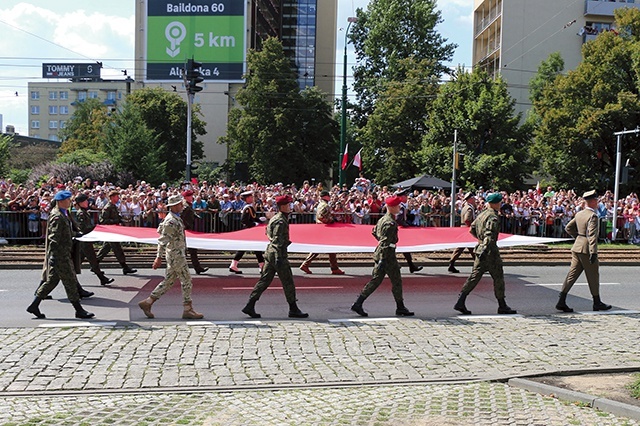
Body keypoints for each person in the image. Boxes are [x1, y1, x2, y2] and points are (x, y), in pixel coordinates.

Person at [27, 190, 95, 319]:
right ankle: (79, 310)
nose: (70, 202)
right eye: (68, 200)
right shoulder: (57, 216)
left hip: (62, 253)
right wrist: (53, 256)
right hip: (60, 255)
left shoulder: (63, 214)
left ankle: (34, 305)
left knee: (51, 282)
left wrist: (77, 235)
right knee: (70, 281)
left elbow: (66, 232)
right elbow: (54, 238)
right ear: (61, 201)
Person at [241, 194, 308, 319]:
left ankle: (250, 305)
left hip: (270, 253)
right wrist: (279, 257)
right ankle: (293, 308)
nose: (290, 207)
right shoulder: (281, 220)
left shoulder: (275, 218)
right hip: (278, 254)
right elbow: (277, 240)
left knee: (264, 281)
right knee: (288, 281)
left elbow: (267, 232)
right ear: (282, 206)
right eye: (288, 205)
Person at [137, 194, 204, 320]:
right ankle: (188, 309)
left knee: (168, 281)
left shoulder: (173, 218)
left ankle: (148, 302)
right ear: (173, 206)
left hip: (175, 254)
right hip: (176, 255)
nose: (182, 206)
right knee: (187, 281)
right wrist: (158, 257)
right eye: (179, 204)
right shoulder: (171, 221)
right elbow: (162, 240)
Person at [453, 192, 517, 315]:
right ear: (496, 204)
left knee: (474, 277)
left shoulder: (482, 215)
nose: (500, 204)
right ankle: (502, 305)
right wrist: (486, 246)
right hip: (490, 251)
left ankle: (461, 301)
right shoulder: (493, 216)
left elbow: (472, 228)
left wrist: (480, 242)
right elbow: (490, 234)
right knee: (498, 277)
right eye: (500, 202)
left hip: (480, 248)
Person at [350, 195, 414, 317]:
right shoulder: (390, 222)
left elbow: (374, 231)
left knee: (380, 280)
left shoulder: (383, 219)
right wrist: (383, 260)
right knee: (393, 281)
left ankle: (359, 303)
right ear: (391, 207)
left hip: (383, 254)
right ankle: (399, 307)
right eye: (397, 206)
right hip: (387, 255)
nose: (399, 207)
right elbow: (385, 242)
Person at [556, 190, 611, 312]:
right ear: (592, 201)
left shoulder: (579, 214)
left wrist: (579, 237)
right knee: (593, 276)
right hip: (586, 249)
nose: (597, 203)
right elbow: (592, 236)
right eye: (596, 200)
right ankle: (597, 302)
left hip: (577, 247)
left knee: (572, 275)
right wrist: (593, 252)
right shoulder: (593, 216)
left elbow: (568, 227)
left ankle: (561, 300)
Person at [299, 190, 345, 275]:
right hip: (325, 229)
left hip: (321, 228)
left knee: (325, 249)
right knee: (329, 248)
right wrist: (331, 221)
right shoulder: (325, 205)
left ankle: (306, 264)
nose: (330, 197)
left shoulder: (320, 204)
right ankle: (334, 268)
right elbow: (321, 217)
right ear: (325, 196)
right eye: (328, 195)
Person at [73, 193, 114, 285]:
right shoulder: (81, 213)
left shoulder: (84, 212)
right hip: (84, 240)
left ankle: (71, 278)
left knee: (79, 261)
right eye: (85, 201)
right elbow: (84, 228)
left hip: (86, 240)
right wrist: (96, 228)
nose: (87, 202)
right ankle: (102, 278)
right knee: (92, 260)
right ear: (80, 203)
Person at [96, 190, 137, 275]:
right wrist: (115, 221)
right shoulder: (108, 207)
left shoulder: (113, 206)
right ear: (112, 197)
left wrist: (121, 220)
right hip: (110, 232)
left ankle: (94, 264)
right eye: (116, 196)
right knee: (117, 249)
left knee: (106, 248)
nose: (118, 198)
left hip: (113, 231)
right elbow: (103, 220)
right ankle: (124, 267)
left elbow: (117, 217)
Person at [229, 190, 265, 274]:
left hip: (250, 231)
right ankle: (262, 265)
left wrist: (259, 220)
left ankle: (234, 265)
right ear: (247, 198)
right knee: (255, 248)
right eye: (251, 197)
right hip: (249, 231)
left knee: (247, 248)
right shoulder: (248, 208)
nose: (252, 198)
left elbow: (252, 217)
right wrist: (255, 223)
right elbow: (244, 220)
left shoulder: (249, 207)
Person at [394, 188, 423, 273]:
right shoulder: (400, 206)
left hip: (398, 230)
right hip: (398, 230)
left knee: (405, 249)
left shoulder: (400, 205)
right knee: (392, 249)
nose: (407, 197)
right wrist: (406, 225)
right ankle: (393, 265)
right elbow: (399, 219)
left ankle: (411, 265)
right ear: (402, 197)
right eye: (405, 196)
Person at [180, 190, 209, 275]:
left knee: (193, 250)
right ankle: (180, 270)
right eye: (190, 196)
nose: (192, 197)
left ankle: (198, 268)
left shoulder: (188, 205)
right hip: (185, 231)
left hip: (189, 231)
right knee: (183, 251)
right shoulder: (185, 206)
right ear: (186, 197)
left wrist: (196, 216)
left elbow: (191, 213)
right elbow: (181, 217)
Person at [448, 192, 477, 273]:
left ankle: (451, 263)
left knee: (461, 248)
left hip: (464, 229)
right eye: (473, 198)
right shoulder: (469, 208)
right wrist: (471, 227)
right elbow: (467, 219)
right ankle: (479, 266)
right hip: (468, 230)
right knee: (473, 248)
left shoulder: (465, 207)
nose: (474, 200)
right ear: (470, 199)